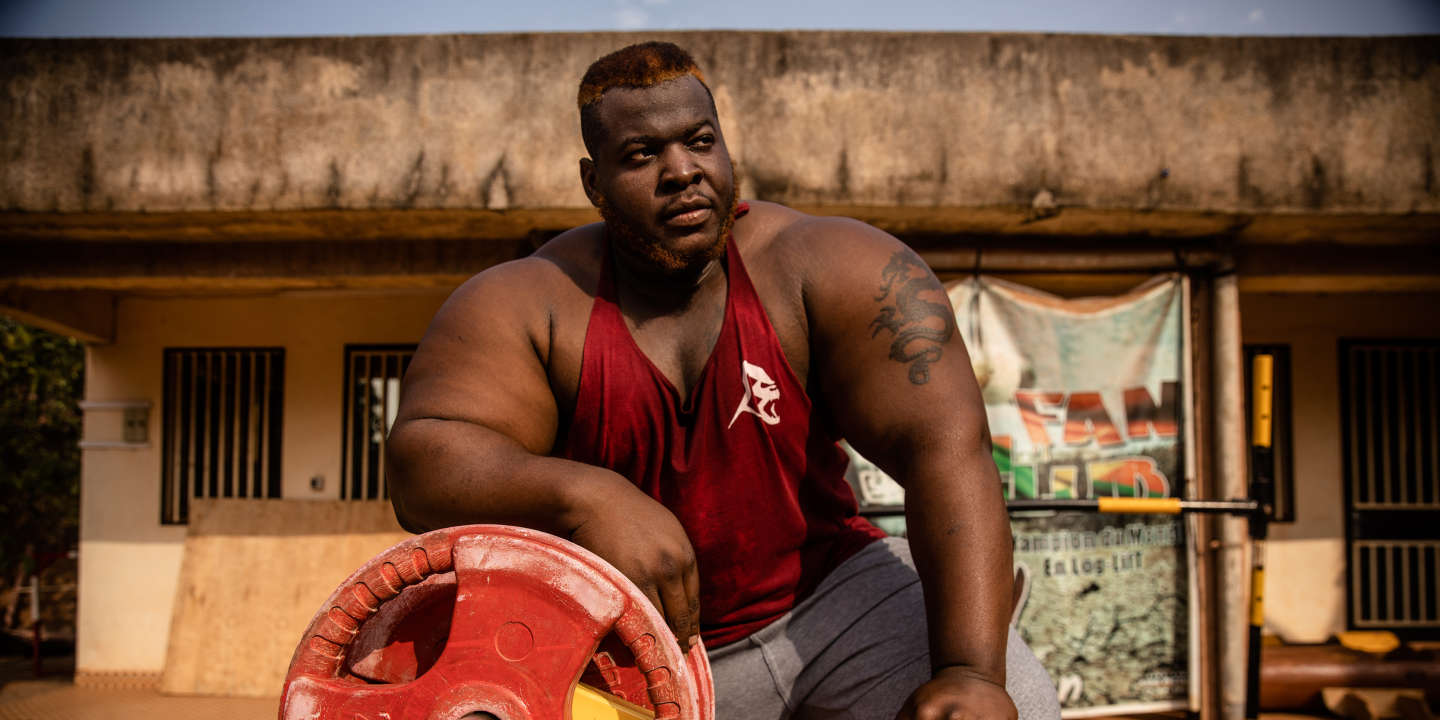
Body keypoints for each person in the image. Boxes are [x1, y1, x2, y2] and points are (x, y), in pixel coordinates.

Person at [387, 41, 1060, 720]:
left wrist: (970, 671)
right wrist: (584, 496)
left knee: (1015, 706)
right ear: (594, 184)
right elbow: (422, 465)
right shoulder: (529, 302)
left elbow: (947, 448)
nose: (682, 171)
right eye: (642, 154)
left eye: (699, 141)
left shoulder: (830, 266)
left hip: (830, 600)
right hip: (631, 641)